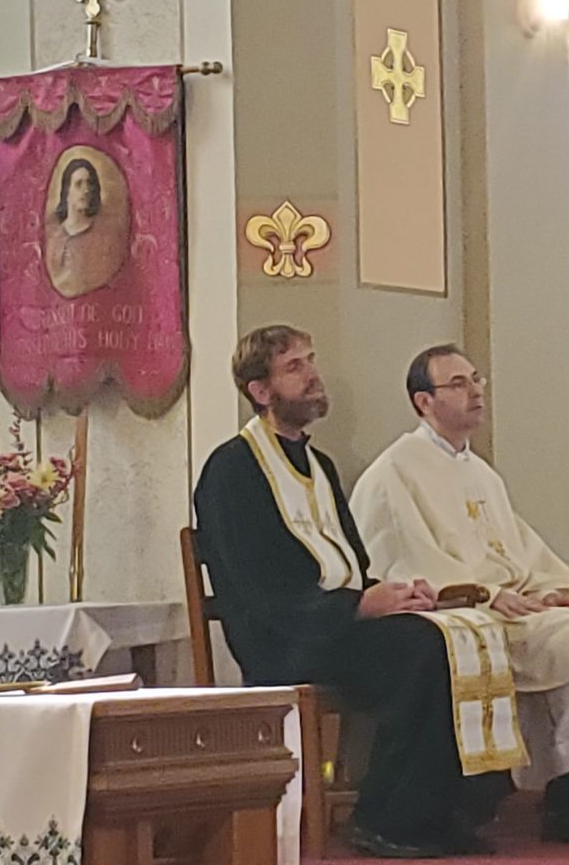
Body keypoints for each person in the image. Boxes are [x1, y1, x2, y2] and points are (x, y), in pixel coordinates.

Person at [350, 344, 569, 845]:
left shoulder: (480, 473)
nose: (475, 391)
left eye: (476, 379)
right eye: (459, 384)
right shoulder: (395, 472)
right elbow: (407, 562)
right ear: (424, 402)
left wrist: (559, 589)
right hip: (466, 615)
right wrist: (489, 595)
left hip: (514, 608)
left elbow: (519, 550)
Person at [194, 326, 508, 858]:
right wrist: (357, 606)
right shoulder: (232, 469)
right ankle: (386, 818)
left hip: (335, 626)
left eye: (311, 360)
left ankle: (443, 811)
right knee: (423, 649)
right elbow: (255, 587)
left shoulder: (320, 465)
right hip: (284, 639)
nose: (313, 375)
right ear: (260, 390)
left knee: (450, 633)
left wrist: (394, 594)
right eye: (294, 367)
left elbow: (352, 564)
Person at [44, 156, 127, 298]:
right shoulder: (55, 238)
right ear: (67, 191)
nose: (86, 190)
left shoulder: (105, 235)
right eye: (78, 184)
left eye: (89, 183)